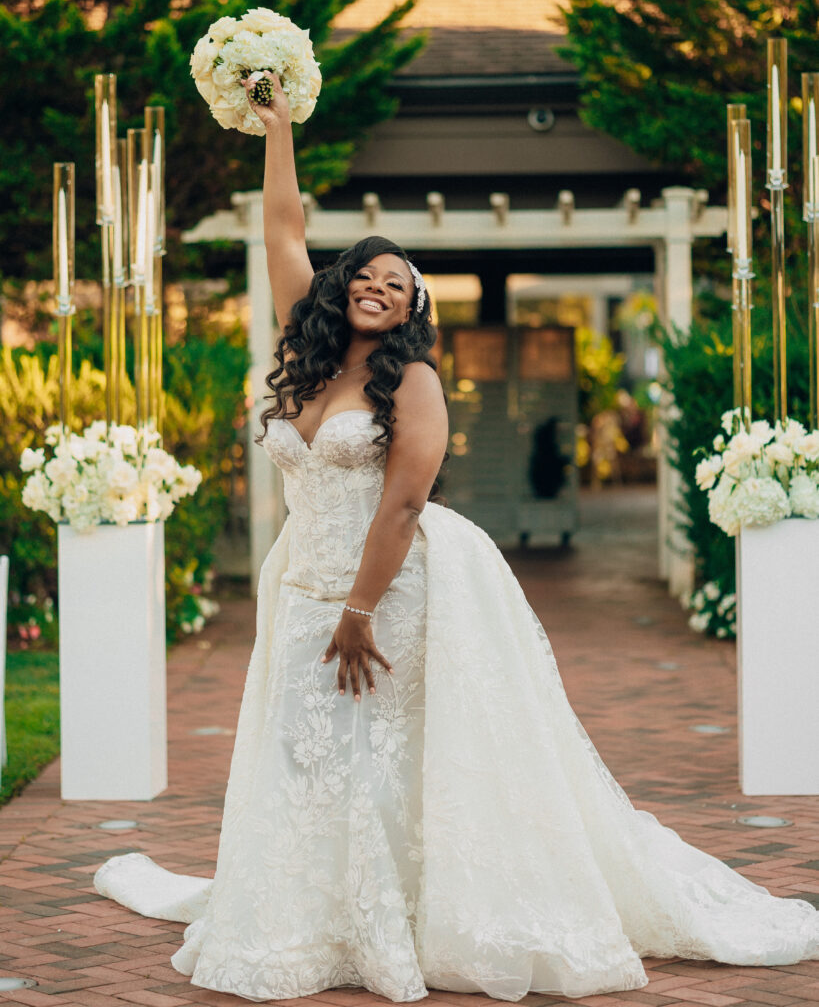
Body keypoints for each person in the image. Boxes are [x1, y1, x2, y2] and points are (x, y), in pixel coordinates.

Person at [94, 72, 819, 1003]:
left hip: (386, 591)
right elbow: (281, 232)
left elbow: (401, 505)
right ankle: (309, 914)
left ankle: (395, 915)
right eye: (365, 274)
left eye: (397, 285)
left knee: (378, 756)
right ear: (341, 289)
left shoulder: (414, 385)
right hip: (298, 585)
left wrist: (359, 610)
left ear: (410, 310)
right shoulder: (302, 354)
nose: (376, 288)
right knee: (302, 752)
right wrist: (276, 131)